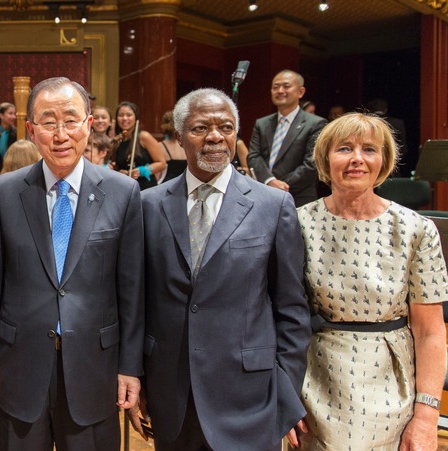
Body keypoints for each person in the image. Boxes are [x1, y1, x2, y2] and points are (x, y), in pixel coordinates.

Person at [131, 87, 312, 450]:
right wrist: (136, 381)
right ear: (179, 138)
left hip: (250, 399)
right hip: (170, 396)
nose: (215, 136)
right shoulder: (146, 205)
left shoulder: (273, 206)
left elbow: (291, 307)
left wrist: (284, 396)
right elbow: (137, 304)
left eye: (226, 127)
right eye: (200, 128)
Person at [0, 77, 144, 451]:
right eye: (48, 122)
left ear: (89, 124)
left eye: (70, 120)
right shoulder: (3, 192)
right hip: (19, 367)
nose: (61, 133)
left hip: (95, 368)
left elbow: (132, 292)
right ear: (32, 130)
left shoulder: (124, 193)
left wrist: (130, 367)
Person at [288, 113, 448, 450]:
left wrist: (427, 416)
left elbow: (430, 331)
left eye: (369, 150)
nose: (357, 159)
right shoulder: (294, 223)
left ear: (384, 161)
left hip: (391, 383)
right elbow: (277, 316)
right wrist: (282, 397)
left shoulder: (416, 229)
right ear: (324, 159)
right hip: (313, 382)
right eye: (344, 148)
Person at [247, 69, 327, 207]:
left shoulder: (316, 124)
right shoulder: (262, 123)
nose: (280, 90)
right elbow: (253, 156)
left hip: (298, 198)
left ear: (301, 92)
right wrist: (269, 181)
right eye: (275, 87)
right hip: (263, 194)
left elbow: (312, 163)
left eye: (286, 86)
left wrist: (279, 186)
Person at [111, 101, 166, 190]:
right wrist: (120, 172)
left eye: (129, 115)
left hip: (145, 187)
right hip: (125, 188)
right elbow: (117, 165)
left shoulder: (144, 137)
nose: (124, 118)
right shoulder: (118, 140)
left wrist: (142, 171)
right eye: (121, 115)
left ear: (136, 117)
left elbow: (162, 163)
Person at [157, 110, 187, 183]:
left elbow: (157, 174)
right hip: (185, 183)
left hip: (166, 184)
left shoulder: (160, 146)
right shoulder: (186, 145)